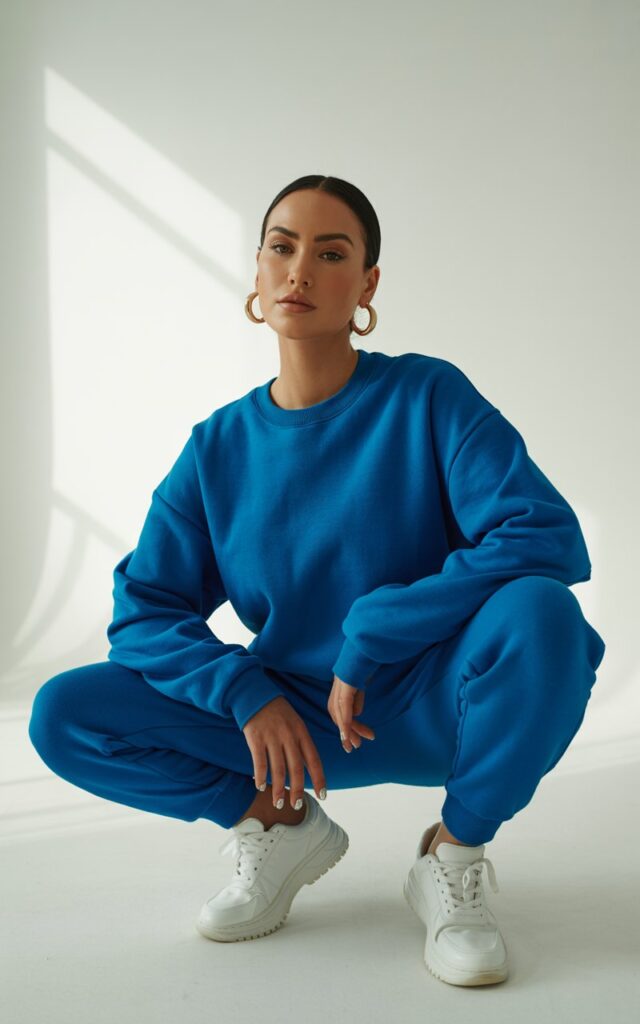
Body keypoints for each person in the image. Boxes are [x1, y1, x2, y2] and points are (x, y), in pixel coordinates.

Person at [28, 174, 606, 987]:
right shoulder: (217, 449)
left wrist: (378, 629)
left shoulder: (426, 396)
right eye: (281, 246)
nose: (300, 269)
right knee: (67, 714)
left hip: (439, 701)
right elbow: (144, 611)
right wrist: (244, 693)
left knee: (543, 614)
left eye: (331, 253)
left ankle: (454, 852)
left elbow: (545, 535)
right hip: (292, 731)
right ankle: (279, 824)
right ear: (258, 274)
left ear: (365, 286)